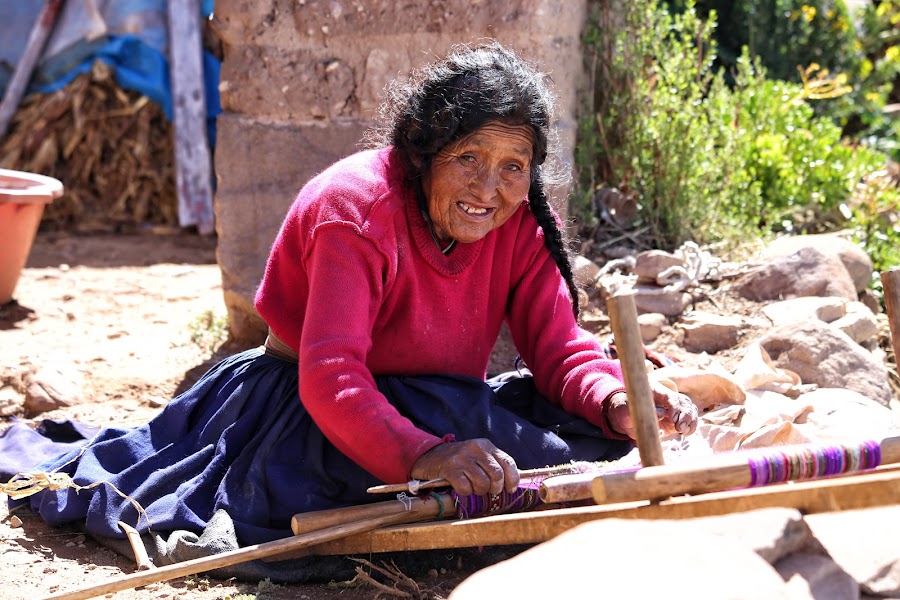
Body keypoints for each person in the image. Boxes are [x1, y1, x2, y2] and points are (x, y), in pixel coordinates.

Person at [17, 40, 697, 547]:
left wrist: (616, 401)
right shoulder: (357, 210)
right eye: (468, 159)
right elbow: (331, 373)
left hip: (436, 399)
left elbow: (558, 347)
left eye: (512, 166)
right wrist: (426, 455)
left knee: (587, 450)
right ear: (424, 153)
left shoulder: (515, 219)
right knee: (344, 504)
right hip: (308, 408)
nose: (489, 190)